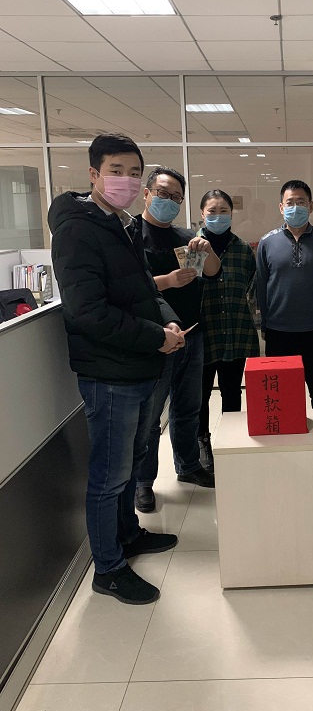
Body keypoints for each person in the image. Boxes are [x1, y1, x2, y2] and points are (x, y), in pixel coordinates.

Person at [49, 134, 184, 606]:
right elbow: (87, 312)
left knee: (129, 463)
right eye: (116, 171)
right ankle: (107, 568)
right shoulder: (77, 229)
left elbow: (143, 287)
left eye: (133, 173)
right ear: (94, 174)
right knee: (108, 475)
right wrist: (154, 337)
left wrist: (167, 321)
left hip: (140, 365)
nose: (126, 181)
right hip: (109, 374)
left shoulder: (121, 225)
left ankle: (128, 534)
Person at [134, 168, 221, 514]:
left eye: (175, 197)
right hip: (155, 340)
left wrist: (207, 249)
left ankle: (188, 466)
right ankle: (143, 482)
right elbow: (130, 287)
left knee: (188, 408)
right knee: (150, 417)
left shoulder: (186, 237)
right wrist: (167, 281)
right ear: (146, 193)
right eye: (162, 193)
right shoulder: (130, 236)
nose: (168, 201)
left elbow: (212, 272)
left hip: (192, 335)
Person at [256, 179, 313, 409]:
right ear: (281, 207)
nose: (295, 207)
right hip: (279, 331)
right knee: (281, 394)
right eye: (290, 202)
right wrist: (264, 324)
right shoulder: (267, 242)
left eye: (301, 202)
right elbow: (261, 287)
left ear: (311, 206)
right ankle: (288, 433)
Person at [197, 189, 260, 469]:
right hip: (203, 333)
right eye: (212, 211)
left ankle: (230, 442)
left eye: (224, 211)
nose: (218, 216)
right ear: (202, 214)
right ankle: (202, 443)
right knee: (199, 395)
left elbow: (251, 288)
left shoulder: (243, 249)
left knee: (232, 392)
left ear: (232, 214)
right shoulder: (191, 247)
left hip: (236, 332)